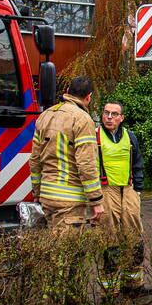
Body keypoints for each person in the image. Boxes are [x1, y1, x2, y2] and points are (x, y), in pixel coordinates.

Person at [29, 76, 103, 231]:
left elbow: (35, 159)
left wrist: (37, 191)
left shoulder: (45, 115)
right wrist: (95, 200)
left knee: (52, 248)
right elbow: (86, 164)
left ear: (68, 91)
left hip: (46, 195)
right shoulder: (82, 119)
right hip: (70, 200)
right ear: (88, 97)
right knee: (66, 251)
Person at [97, 101, 148, 295]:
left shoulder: (130, 137)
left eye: (114, 114)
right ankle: (109, 291)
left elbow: (137, 163)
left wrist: (139, 190)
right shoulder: (95, 136)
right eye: (106, 113)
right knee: (109, 238)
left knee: (134, 236)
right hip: (106, 189)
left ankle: (134, 284)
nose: (109, 117)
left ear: (121, 118)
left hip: (128, 189)